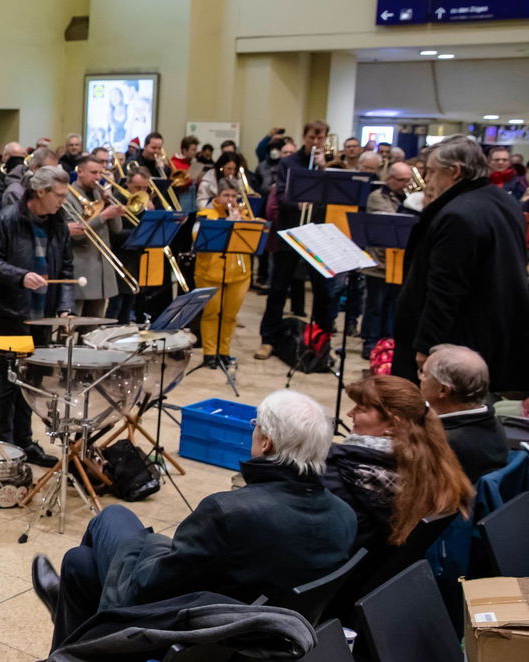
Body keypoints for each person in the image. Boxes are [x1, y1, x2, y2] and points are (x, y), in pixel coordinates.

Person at [32, 389, 356, 650]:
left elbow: (146, 588)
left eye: (255, 424)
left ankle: (76, 629)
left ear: (267, 443)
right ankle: (69, 637)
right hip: (254, 632)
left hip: (187, 630)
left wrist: (147, 547)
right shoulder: (345, 516)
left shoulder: (229, 512)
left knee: (112, 517)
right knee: (79, 564)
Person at [392, 135, 529, 392]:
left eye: (431, 172)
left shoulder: (458, 215)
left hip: (456, 343)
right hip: (495, 336)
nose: (428, 181)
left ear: (454, 171)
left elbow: (444, 290)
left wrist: (425, 348)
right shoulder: (503, 201)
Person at [0, 165, 76, 467]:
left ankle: (24, 441)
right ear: (41, 192)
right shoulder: (6, 219)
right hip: (12, 313)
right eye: (59, 195)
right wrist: (21, 276)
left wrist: (65, 307)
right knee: (9, 382)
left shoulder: (59, 223)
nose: (63, 201)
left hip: (43, 316)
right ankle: (4, 445)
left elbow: (66, 270)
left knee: (32, 383)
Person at [326, 375, 474, 554]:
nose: (350, 413)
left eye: (361, 408)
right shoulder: (429, 461)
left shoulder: (348, 472)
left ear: (392, 425)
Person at [255, 121, 339, 361]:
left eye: (320, 137)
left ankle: (320, 343)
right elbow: (280, 194)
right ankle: (268, 339)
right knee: (278, 288)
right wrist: (296, 202)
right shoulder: (288, 163)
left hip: (319, 235)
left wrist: (324, 170)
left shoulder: (330, 164)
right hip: (290, 232)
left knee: (323, 292)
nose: (316, 142)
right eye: (312, 137)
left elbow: (336, 197)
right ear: (304, 136)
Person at [420, 344, 511, 482]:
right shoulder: (492, 420)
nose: (420, 378)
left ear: (443, 390)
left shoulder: (441, 444)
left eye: (424, 373)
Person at [193, 184, 253, 367]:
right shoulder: (205, 214)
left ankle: (224, 352)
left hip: (239, 274)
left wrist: (240, 222)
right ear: (217, 197)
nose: (230, 199)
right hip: (209, 272)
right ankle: (209, 353)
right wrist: (227, 223)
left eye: (234, 196)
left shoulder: (245, 215)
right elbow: (196, 236)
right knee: (211, 313)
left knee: (230, 315)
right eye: (226, 195)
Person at [360, 162, 414, 354]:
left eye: (409, 180)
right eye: (401, 180)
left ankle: (388, 341)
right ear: (389, 179)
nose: (406, 184)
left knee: (394, 303)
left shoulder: (412, 197)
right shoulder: (377, 197)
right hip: (379, 261)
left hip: (401, 262)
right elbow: (392, 221)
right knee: (376, 304)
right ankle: (370, 341)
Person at [63, 157, 126, 317]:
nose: (98, 177)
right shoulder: (68, 196)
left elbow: (117, 230)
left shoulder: (99, 193)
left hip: (102, 269)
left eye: (100, 173)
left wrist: (111, 204)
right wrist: (103, 216)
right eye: (93, 172)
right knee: (72, 324)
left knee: (94, 328)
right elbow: (77, 234)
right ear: (80, 172)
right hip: (82, 267)